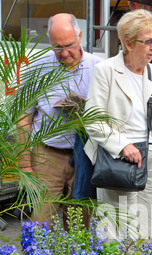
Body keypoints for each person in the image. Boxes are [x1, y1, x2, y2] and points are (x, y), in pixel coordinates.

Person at [84, 9, 152, 240]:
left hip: (151, 159)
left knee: (146, 233)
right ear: (127, 43)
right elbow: (92, 119)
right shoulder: (105, 71)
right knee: (114, 232)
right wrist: (123, 145)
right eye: (147, 41)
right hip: (116, 159)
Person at [18, 13, 101, 229]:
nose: (64, 53)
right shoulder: (38, 67)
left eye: (69, 46)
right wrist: (25, 166)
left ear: (80, 35)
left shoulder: (99, 68)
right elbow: (22, 116)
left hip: (84, 155)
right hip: (47, 155)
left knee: (79, 225)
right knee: (40, 224)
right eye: (57, 47)